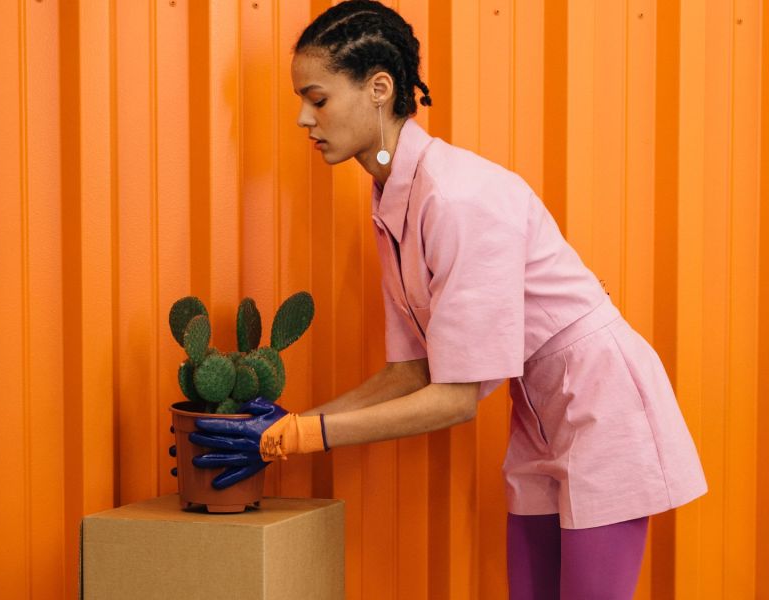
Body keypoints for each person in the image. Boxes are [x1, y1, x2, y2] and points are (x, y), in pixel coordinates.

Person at [187, 1, 707, 597]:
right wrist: (296, 424)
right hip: (538, 414)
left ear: (379, 87)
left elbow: (455, 399)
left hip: (600, 401)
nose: (304, 118)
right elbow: (411, 371)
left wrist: (302, 438)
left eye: (319, 98)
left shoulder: (459, 199)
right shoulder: (392, 199)